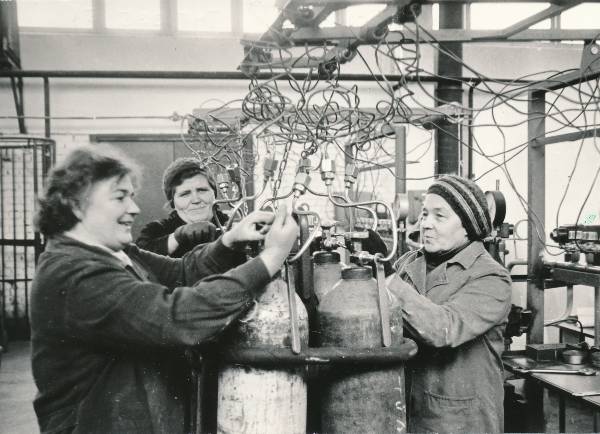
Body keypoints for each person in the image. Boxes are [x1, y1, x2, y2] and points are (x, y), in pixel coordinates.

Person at [30, 146, 299, 434]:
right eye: (120, 197)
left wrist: (230, 239)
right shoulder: (73, 274)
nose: (133, 208)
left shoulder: (114, 253)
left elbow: (181, 272)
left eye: (132, 197)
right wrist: (269, 259)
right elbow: (178, 317)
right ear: (75, 205)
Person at [386, 174, 512, 433]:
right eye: (424, 214)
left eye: (439, 216)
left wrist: (387, 280)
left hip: (460, 420)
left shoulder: (491, 277)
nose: (426, 224)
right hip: (409, 412)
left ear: (467, 226)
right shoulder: (409, 263)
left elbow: (443, 329)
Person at [136, 157, 229, 257]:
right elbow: (139, 257)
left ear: (214, 194)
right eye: (185, 194)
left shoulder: (230, 225)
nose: (196, 200)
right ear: (173, 203)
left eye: (202, 190)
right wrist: (178, 237)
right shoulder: (156, 231)